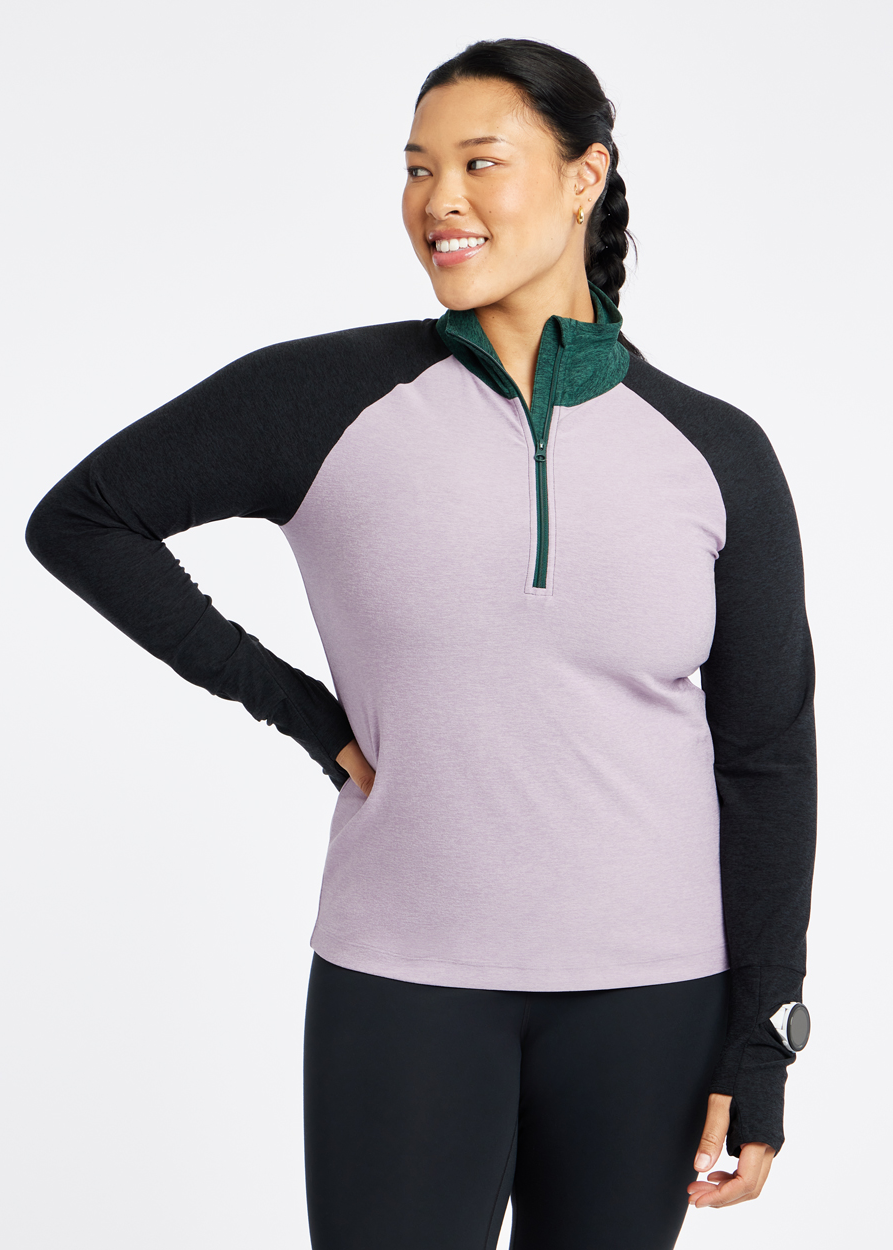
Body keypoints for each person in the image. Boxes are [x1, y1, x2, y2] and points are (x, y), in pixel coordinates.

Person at [25, 36, 817, 1250]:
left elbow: (765, 755)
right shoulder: (323, 399)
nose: (438, 199)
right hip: (401, 984)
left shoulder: (714, 452)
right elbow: (82, 519)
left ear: (584, 177)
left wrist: (760, 1035)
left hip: (652, 1002)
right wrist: (300, 709)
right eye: (415, 168)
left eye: (478, 163)